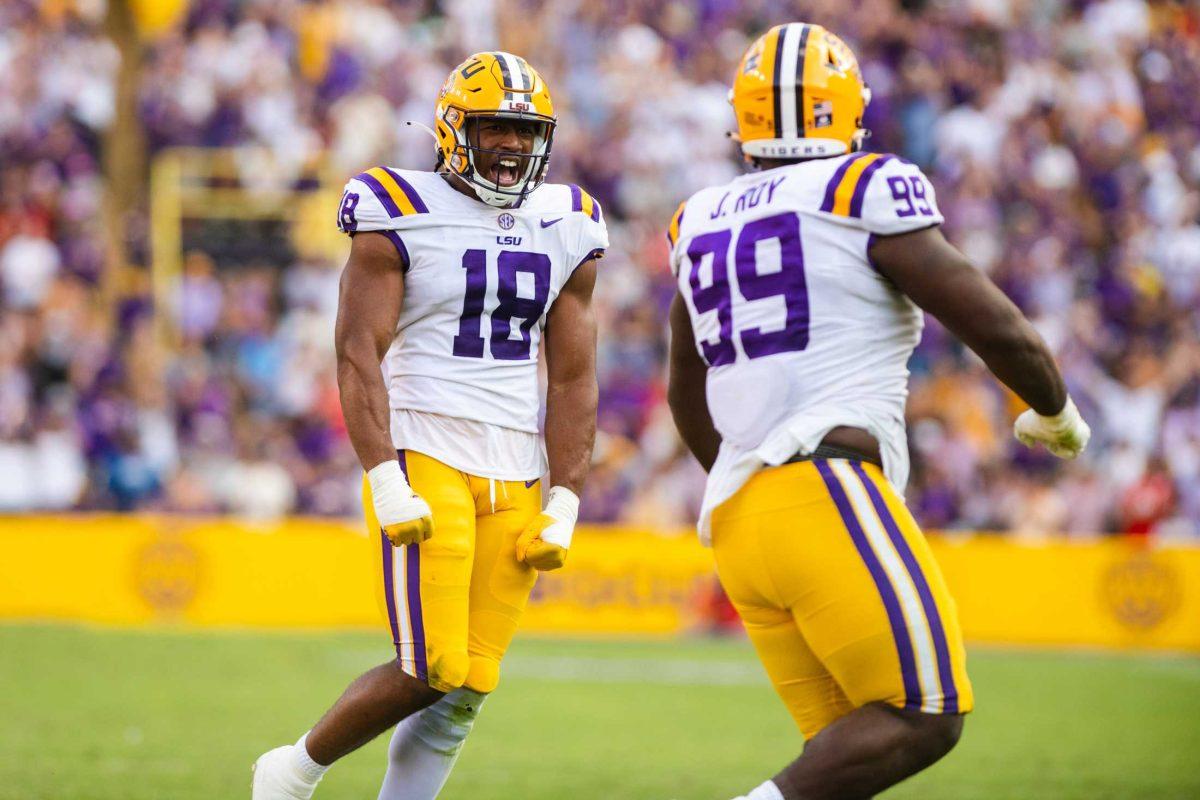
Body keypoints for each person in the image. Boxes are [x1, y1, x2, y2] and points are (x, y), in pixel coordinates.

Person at [665, 23, 1090, 800]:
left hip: (738, 515)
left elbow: (682, 391)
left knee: (838, 765)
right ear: (846, 111)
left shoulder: (699, 217)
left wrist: (755, 481)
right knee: (923, 713)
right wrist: (1055, 411)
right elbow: (993, 323)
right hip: (824, 487)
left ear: (745, 118)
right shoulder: (861, 187)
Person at [252, 51, 606, 800]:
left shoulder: (567, 222)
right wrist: (384, 475)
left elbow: (574, 376)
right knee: (430, 666)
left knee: (473, 682)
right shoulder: (396, 206)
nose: (512, 145)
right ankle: (290, 773)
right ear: (453, 130)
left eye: (525, 130)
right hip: (425, 446)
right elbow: (358, 352)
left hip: (514, 466)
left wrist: (567, 497)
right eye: (495, 128)